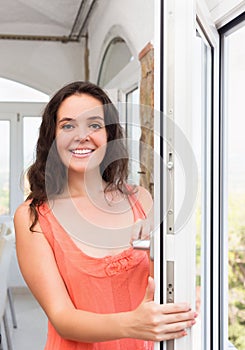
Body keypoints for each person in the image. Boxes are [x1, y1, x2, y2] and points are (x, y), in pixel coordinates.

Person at [14, 81, 197, 350]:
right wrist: (131, 324)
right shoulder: (33, 217)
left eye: (95, 125)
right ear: (52, 138)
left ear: (109, 135)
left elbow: (162, 280)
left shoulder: (140, 200)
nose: (82, 135)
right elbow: (62, 318)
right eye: (68, 125)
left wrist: (188, 293)